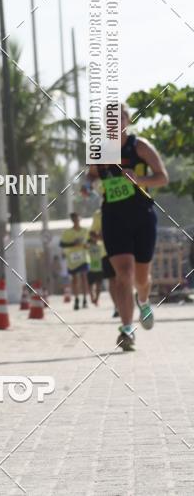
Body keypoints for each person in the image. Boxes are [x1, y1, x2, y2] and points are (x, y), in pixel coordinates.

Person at [85, 103, 169, 351]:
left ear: (127, 120)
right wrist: (87, 185)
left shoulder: (139, 146)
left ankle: (143, 300)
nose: (113, 122)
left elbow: (163, 177)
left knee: (141, 279)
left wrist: (140, 179)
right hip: (113, 216)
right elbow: (91, 175)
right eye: (108, 118)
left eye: (118, 117)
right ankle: (126, 330)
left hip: (142, 215)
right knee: (124, 275)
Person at [90, 204, 119, 317]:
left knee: (124, 278)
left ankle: (125, 303)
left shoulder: (123, 207)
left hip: (124, 249)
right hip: (106, 252)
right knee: (112, 280)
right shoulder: (98, 214)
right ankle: (117, 306)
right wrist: (100, 237)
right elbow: (92, 233)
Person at [59, 212, 90, 310]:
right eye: (74, 219)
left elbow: (90, 241)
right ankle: (76, 299)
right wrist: (73, 244)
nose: (76, 221)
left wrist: (87, 245)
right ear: (72, 220)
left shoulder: (85, 231)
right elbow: (62, 244)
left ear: (79, 219)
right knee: (75, 279)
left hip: (83, 257)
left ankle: (85, 299)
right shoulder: (67, 232)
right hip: (72, 259)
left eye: (77, 219)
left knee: (84, 277)